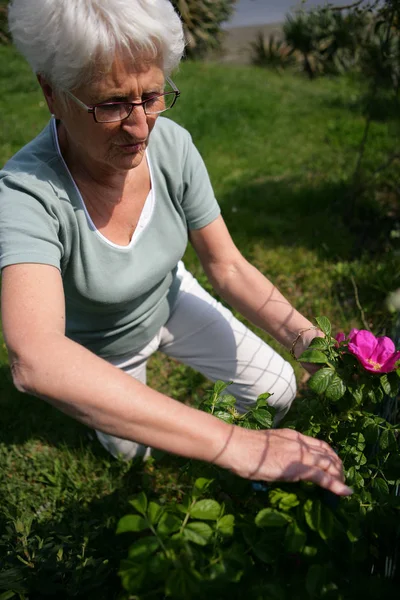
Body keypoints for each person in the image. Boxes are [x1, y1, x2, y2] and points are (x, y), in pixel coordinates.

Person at [0, 0, 351, 496]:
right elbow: (36, 358)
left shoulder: (172, 146)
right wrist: (236, 445)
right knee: (136, 454)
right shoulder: (24, 193)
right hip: (105, 351)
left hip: (169, 298)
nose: (141, 128)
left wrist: (314, 348)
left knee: (278, 390)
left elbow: (227, 266)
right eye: (111, 104)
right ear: (51, 93)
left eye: (152, 96)